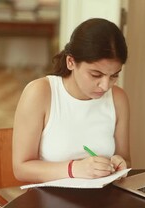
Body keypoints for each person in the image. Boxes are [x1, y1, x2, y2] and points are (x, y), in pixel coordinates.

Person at [13, 18, 130, 183]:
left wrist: (119, 163)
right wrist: (74, 168)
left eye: (114, 75)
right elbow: (21, 169)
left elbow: (126, 159)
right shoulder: (40, 93)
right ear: (71, 62)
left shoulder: (118, 98)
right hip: (51, 202)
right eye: (96, 75)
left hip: (104, 201)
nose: (105, 86)